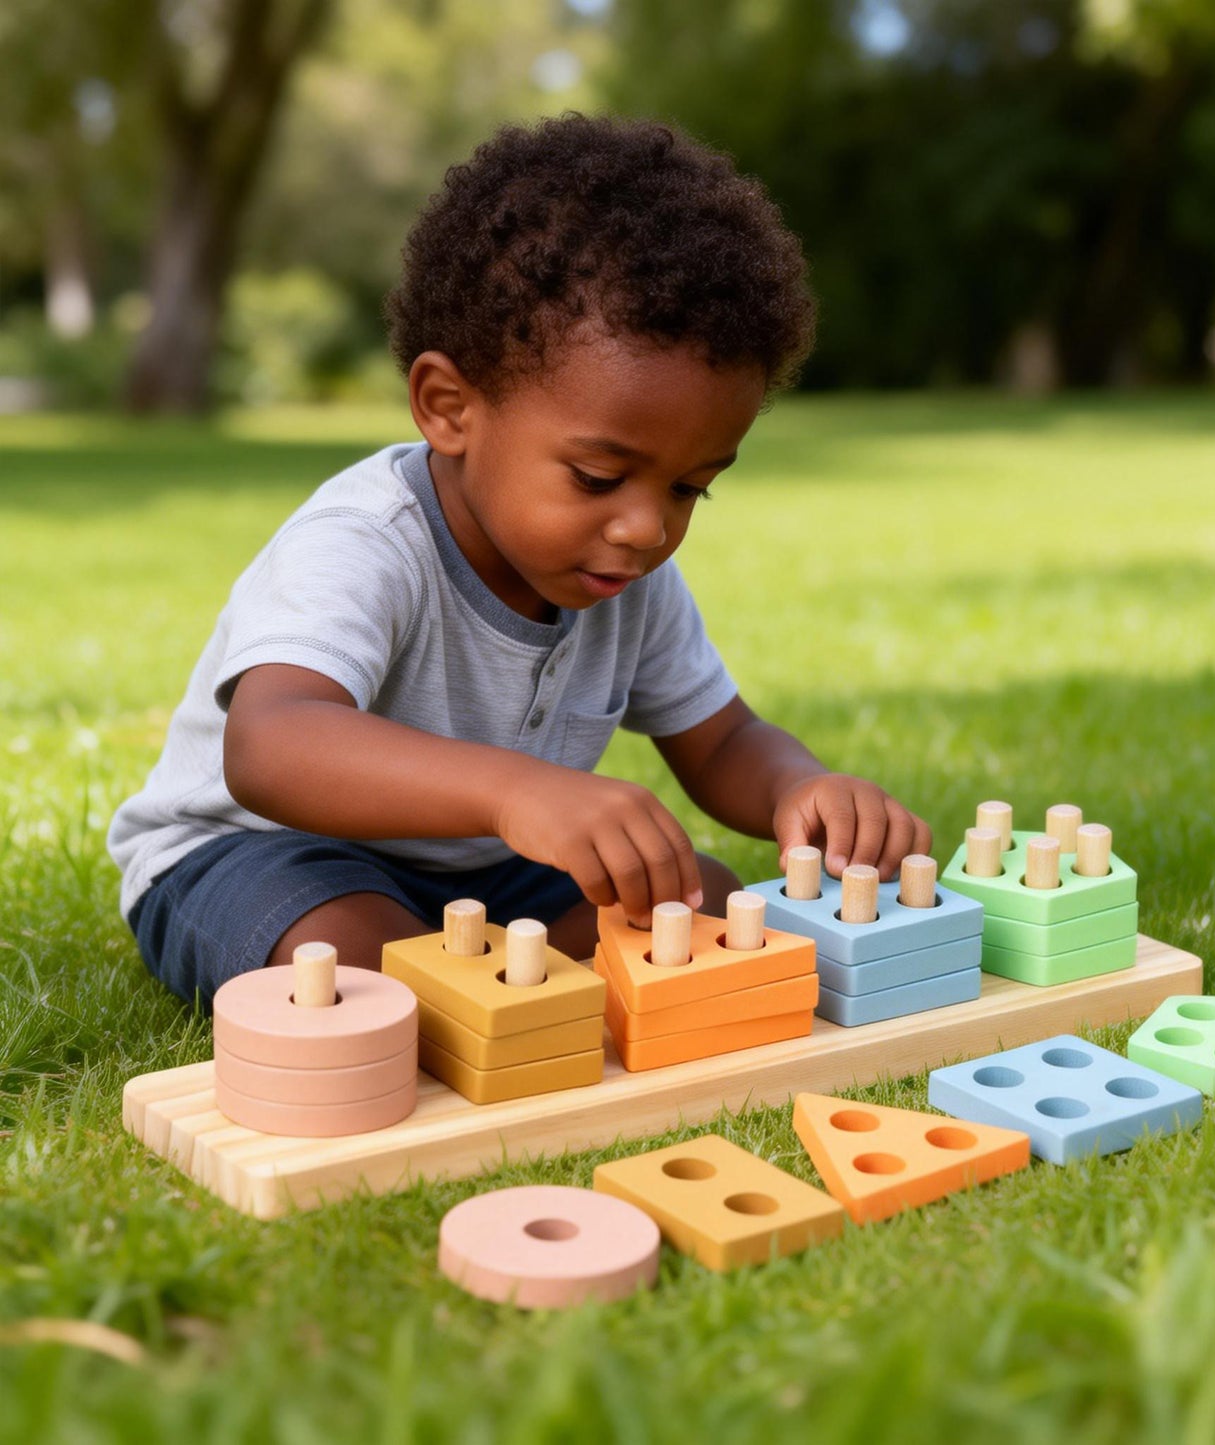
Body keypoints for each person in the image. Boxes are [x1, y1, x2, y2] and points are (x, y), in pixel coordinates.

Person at [108, 113, 930, 1006]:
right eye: (598, 475)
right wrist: (516, 792)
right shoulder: (367, 539)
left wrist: (800, 788)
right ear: (448, 406)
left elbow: (722, 739)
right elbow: (271, 742)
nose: (646, 528)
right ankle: (468, 989)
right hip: (257, 852)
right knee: (354, 962)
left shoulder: (622, 576)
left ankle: (499, 990)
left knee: (706, 907)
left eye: (691, 487)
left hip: (488, 873)